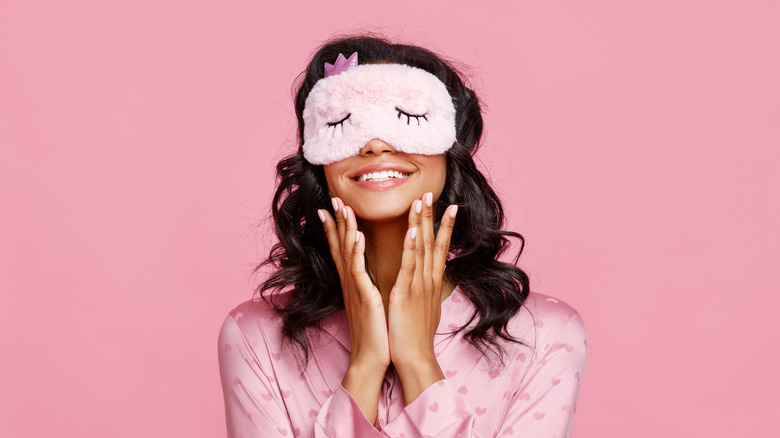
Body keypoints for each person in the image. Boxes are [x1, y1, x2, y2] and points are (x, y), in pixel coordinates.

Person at [218, 35, 587, 438]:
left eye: (407, 117)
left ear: (451, 149)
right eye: (344, 122)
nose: (376, 144)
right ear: (317, 156)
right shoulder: (254, 336)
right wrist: (364, 365)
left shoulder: (544, 335)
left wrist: (418, 363)